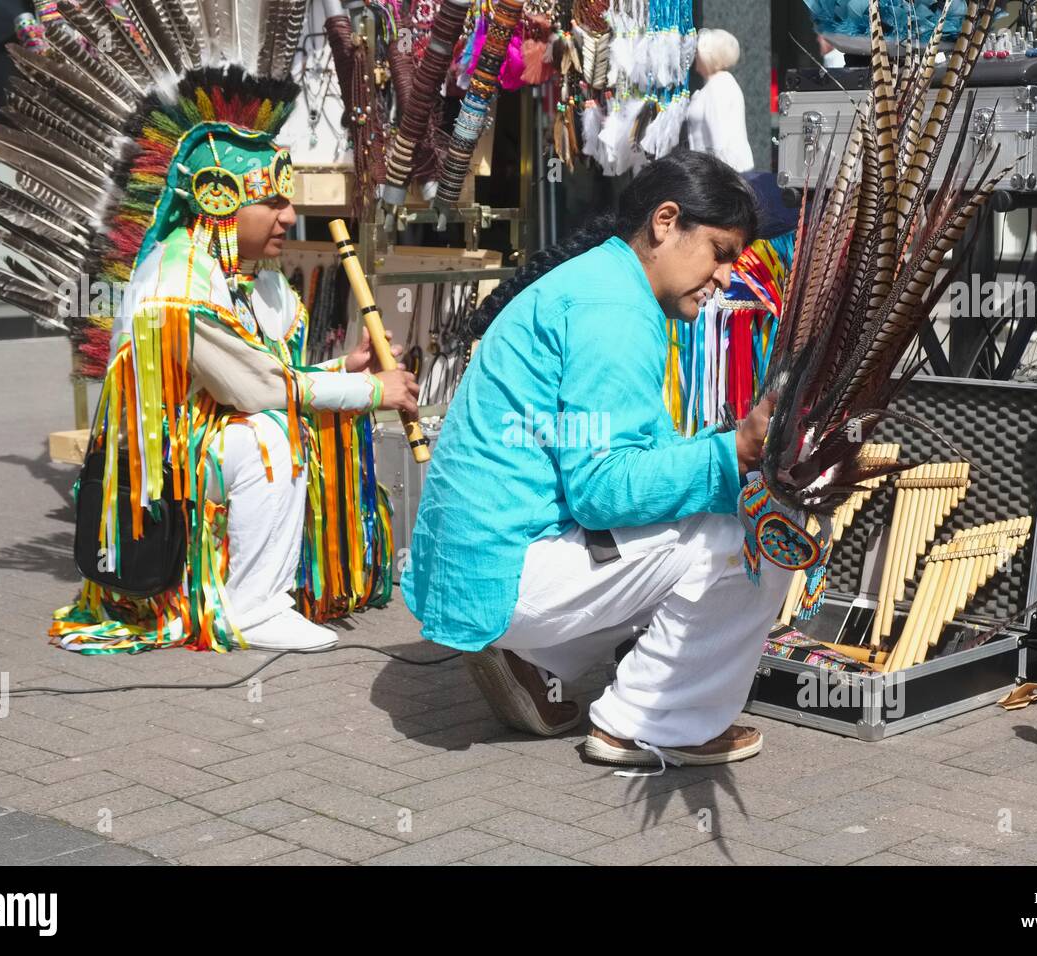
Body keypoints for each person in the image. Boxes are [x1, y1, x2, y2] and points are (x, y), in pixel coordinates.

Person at [401, 151, 795, 770]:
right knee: (756, 535)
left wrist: (720, 452)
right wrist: (735, 454)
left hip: (478, 563)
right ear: (666, 222)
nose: (725, 278)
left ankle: (538, 661)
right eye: (720, 253)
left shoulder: (605, 282)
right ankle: (646, 724)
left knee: (703, 514)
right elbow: (604, 491)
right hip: (509, 568)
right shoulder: (612, 308)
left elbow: (629, 456)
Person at [48, 67, 420, 655]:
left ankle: (265, 590)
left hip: (203, 444)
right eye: (271, 202)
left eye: (287, 202)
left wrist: (345, 370)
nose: (288, 218)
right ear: (219, 202)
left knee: (278, 425)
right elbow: (255, 390)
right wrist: (375, 393)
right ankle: (251, 606)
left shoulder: (248, 276)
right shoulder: (179, 279)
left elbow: (269, 373)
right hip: (160, 471)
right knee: (270, 435)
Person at [685, 28, 755, 174]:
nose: (695, 57)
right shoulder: (717, 84)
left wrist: (717, 178)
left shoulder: (719, 85)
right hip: (717, 171)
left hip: (723, 173)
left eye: (697, 53)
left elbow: (719, 138)